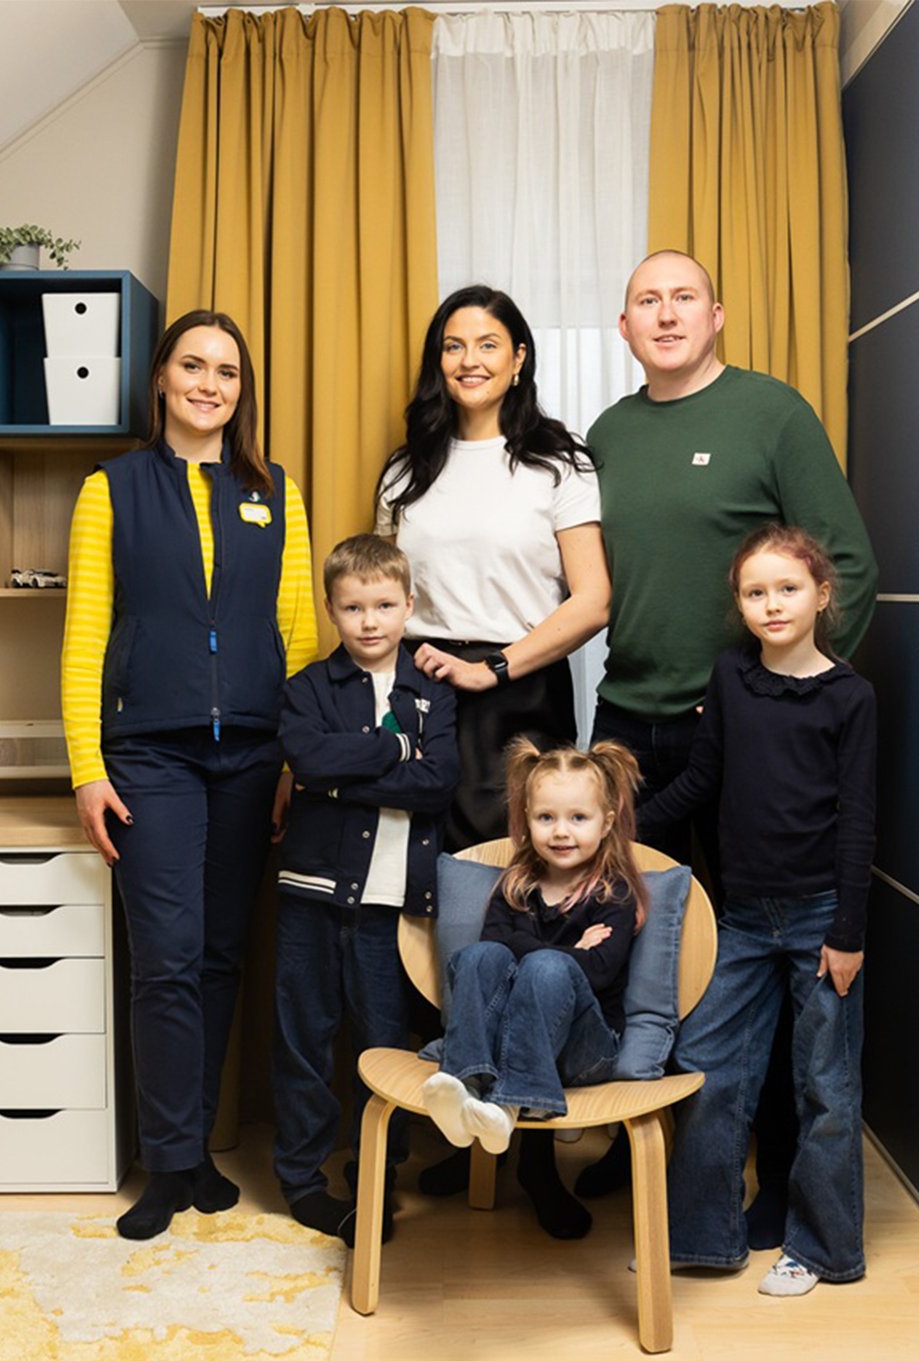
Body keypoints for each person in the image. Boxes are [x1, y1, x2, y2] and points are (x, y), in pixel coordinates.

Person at [579, 250, 877, 1233]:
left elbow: (845, 564)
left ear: (716, 314)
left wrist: (788, 703)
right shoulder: (606, 434)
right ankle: (645, 1151)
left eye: (680, 298)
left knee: (754, 952)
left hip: (741, 731)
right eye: (643, 302)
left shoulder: (771, 412)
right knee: (629, 944)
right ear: (622, 328)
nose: (663, 314)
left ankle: (775, 1171)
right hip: (627, 719)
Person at [60, 309, 317, 1241]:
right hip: (150, 754)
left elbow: (301, 635)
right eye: (194, 366)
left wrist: (298, 751)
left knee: (218, 958)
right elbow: (86, 633)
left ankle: (200, 1146)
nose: (212, 384)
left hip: (252, 753)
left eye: (229, 372)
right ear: (161, 379)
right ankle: (166, 1164)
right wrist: (88, 768)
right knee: (164, 961)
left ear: (242, 391)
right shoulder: (111, 489)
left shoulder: (275, 491)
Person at [375, 284, 611, 1236]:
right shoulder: (406, 470)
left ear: (519, 357)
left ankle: (539, 1148)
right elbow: (385, 596)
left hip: (521, 692)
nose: (470, 358)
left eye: (489, 343)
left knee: (537, 912)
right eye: (453, 345)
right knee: (436, 910)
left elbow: (591, 599)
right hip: (426, 690)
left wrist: (496, 667)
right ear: (440, 362)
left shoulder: (560, 462)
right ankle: (464, 1133)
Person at [637, 525, 875, 1296]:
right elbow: (700, 782)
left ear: (822, 595)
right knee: (707, 1068)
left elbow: (859, 821)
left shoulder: (850, 697)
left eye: (787, 588)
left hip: (820, 920)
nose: (771, 603)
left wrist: (847, 934)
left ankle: (822, 1249)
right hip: (741, 916)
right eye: (754, 591)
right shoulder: (733, 678)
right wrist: (618, 827)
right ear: (738, 603)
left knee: (826, 1090)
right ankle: (704, 1237)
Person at [273, 535, 459, 1245]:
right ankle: (299, 1176)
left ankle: (377, 1177)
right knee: (304, 1038)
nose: (370, 621)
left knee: (384, 1045)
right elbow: (308, 758)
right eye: (353, 607)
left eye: (384, 605)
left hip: (394, 904)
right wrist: (394, 750)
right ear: (332, 609)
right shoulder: (307, 689)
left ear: (409, 605)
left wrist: (340, 773)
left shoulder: (432, 690)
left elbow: (438, 784)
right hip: (312, 895)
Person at [420, 739, 648, 1157]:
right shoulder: (515, 887)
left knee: (545, 966)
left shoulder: (613, 894)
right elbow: (494, 951)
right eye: (546, 817)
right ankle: (466, 1087)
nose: (561, 831)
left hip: (584, 1052)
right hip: (504, 1044)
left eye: (578, 817)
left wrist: (540, 953)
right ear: (527, 820)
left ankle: (509, 1104)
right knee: (477, 957)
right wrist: (571, 949)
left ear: (607, 821)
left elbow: (598, 971)